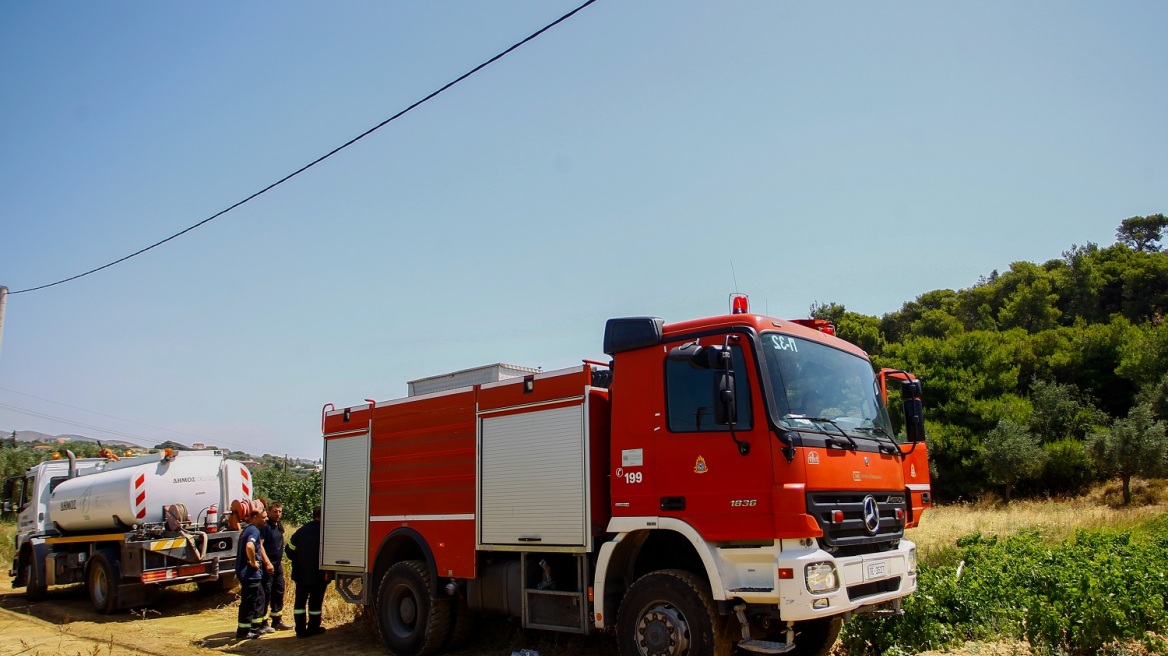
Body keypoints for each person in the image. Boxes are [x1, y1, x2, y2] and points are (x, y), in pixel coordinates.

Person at [286, 505, 330, 638]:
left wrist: (298, 560)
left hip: (301, 574)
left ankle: (300, 630)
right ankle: (313, 627)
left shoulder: (302, 531)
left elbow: (289, 549)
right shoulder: (326, 532)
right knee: (315, 604)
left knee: (300, 603)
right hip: (319, 575)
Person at [234, 499, 269, 640]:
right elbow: (250, 546)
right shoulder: (253, 531)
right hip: (250, 574)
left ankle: (254, 628)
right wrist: (254, 562)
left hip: (249, 574)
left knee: (259, 598)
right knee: (249, 602)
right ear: (255, 517)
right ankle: (243, 632)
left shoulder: (248, 529)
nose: (266, 520)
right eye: (263, 517)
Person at [259, 501, 291, 631]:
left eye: (280, 511)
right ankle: (263, 622)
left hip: (277, 566)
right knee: (266, 593)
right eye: (275, 511)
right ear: (268, 512)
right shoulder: (265, 527)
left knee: (279, 590)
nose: (278, 514)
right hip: (267, 566)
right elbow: (259, 546)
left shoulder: (279, 526)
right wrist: (267, 562)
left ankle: (277, 620)